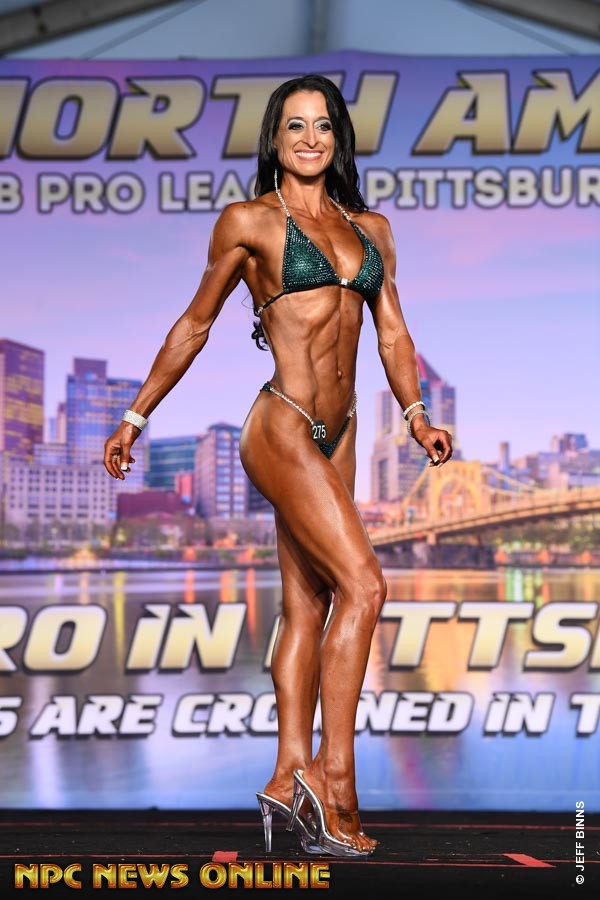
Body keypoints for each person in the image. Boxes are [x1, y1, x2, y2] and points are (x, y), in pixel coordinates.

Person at [103, 73, 453, 857]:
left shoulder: (372, 229)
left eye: (323, 125)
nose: (309, 138)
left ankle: (287, 773)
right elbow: (195, 325)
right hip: (282, 425)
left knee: (309, 606)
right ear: (274, 138)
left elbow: (392, 334)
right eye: (295, 125)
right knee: (365, 584)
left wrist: (416, 415)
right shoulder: (249, 222)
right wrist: (135, 416)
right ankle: (335, 782)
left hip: (344, 431)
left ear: (338, 139)